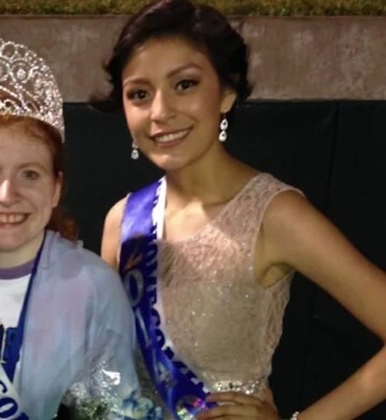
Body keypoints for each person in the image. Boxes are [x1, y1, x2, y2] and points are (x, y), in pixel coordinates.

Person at [96, 0, 386, 419]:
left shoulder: (273, 214)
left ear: (227, 92)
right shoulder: (122, 221)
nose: (160, 112)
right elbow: (107, 374)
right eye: (139, 94)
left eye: (185, 84)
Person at [0, 34, 159, 419]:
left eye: (30, 175)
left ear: (56, 188)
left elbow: (114, 412)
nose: (7, 194)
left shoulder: (91, 287)